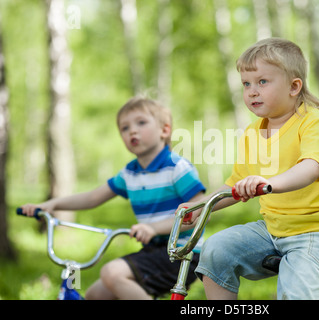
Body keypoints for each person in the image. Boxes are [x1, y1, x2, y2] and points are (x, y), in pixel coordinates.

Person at [182, 38, 319, 300]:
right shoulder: (252, 133)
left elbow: (310, 168)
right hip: (273, 230)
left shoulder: (313, 124)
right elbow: (234, 185)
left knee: (295, 293)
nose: (252, 91)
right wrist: (200, 209)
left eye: (262, 82)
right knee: (216, 249)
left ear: (294, 87)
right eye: (246, 84)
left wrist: (268, 182)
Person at [20, 97, 206, 300]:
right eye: (124, 128)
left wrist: (153, 228)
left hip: (183, 254)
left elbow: (198, 211)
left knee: (112, 272)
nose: (132, 131)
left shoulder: (176, 167)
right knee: (95, 294)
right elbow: (92, 198)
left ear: (164, 131)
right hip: (153, 251)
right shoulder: (130, 174)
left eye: (141, 123)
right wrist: (52, 204)